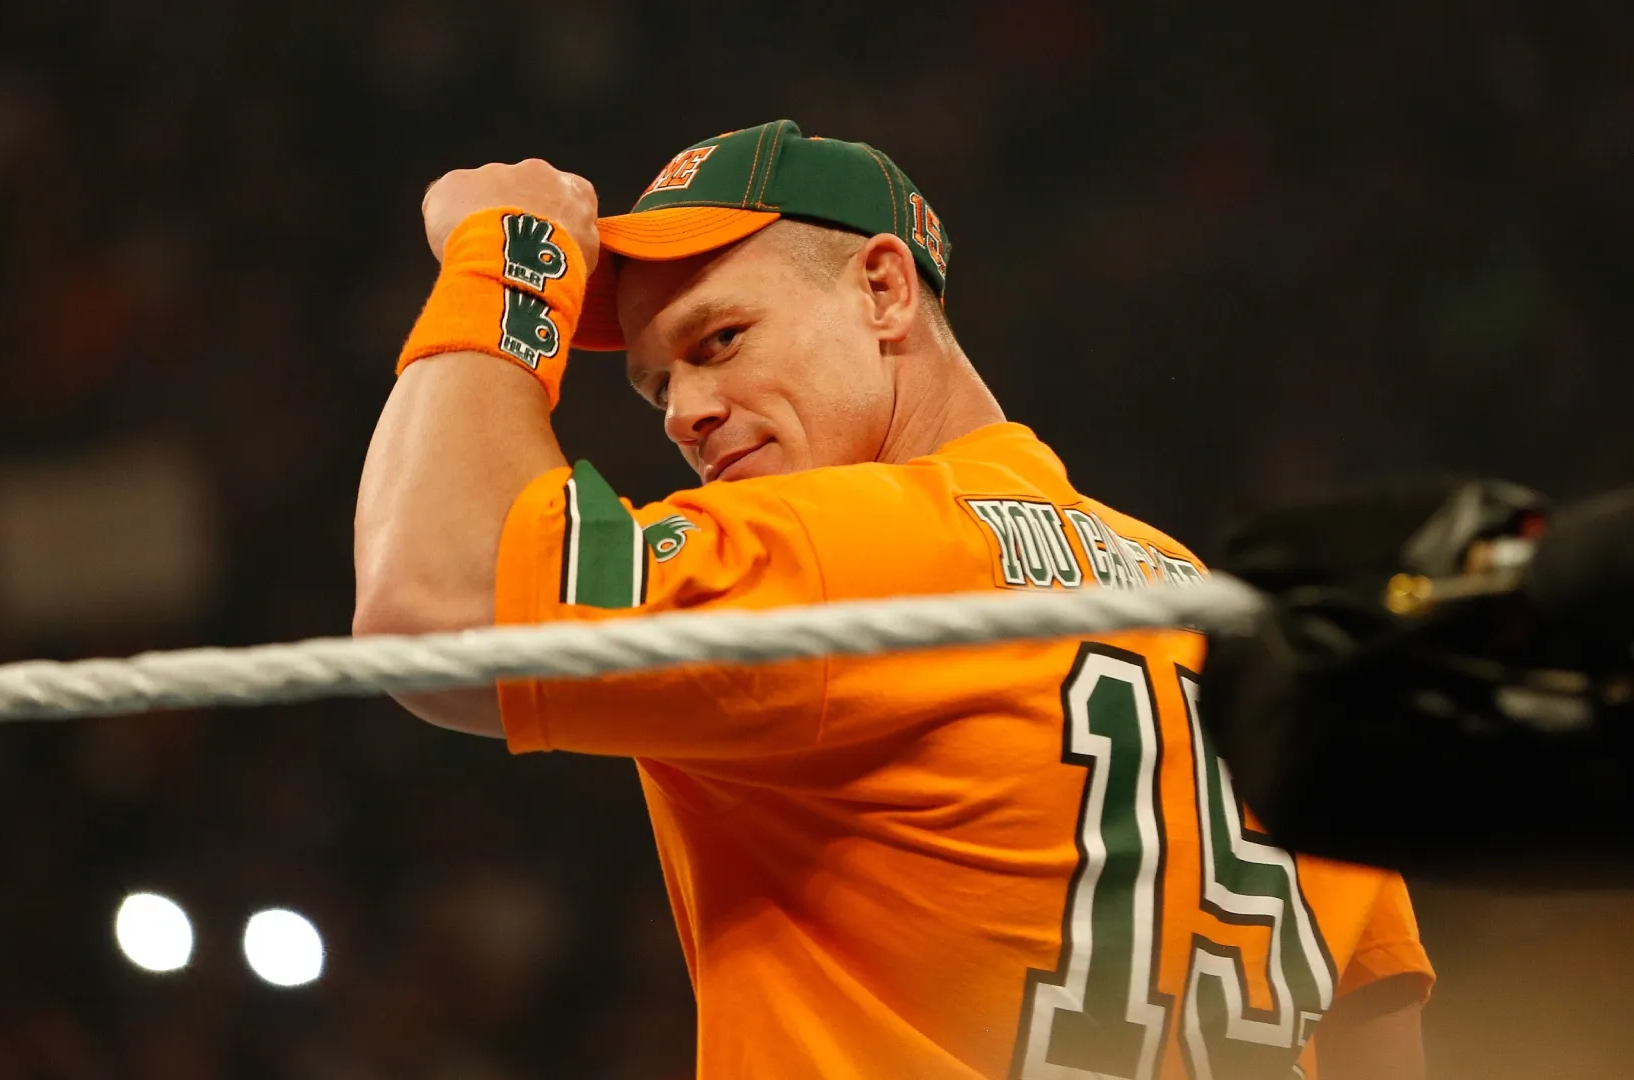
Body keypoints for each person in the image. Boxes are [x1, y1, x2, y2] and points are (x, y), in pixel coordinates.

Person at [353, 119, 1432, 1079]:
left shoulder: (857, 547)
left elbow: (436, 602)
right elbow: (1383, 1036)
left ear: (883, 289)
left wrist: (508, 256)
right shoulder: (1250, 635)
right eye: (658, 387)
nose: (684, 413)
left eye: (720, 341)